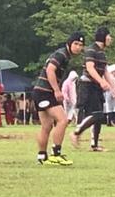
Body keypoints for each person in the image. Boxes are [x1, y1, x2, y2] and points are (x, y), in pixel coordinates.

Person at [33, 32, 85, 165]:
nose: (78, 47)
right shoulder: (61, 54)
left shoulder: (65, 55)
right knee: (62, 120)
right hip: (45, 92)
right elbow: (50, 70)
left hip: (40, 91)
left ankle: (42, 156)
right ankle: (56, 154)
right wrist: (56, 90)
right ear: (69, 43)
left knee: (47, 126)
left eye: (81, 45)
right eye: (76, 44)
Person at [71, 27, 115, 151]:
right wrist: (101, 81)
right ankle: (76, 132)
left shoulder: (101, 52)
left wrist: (114, 87)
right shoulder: (91, 50)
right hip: (87, 85)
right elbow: (90, 68)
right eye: (109, 36)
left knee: (99, 116)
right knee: (96, 114)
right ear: (103, 37)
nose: (110, 39)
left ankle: (94, 145)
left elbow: (105, 71)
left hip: (96, 86)